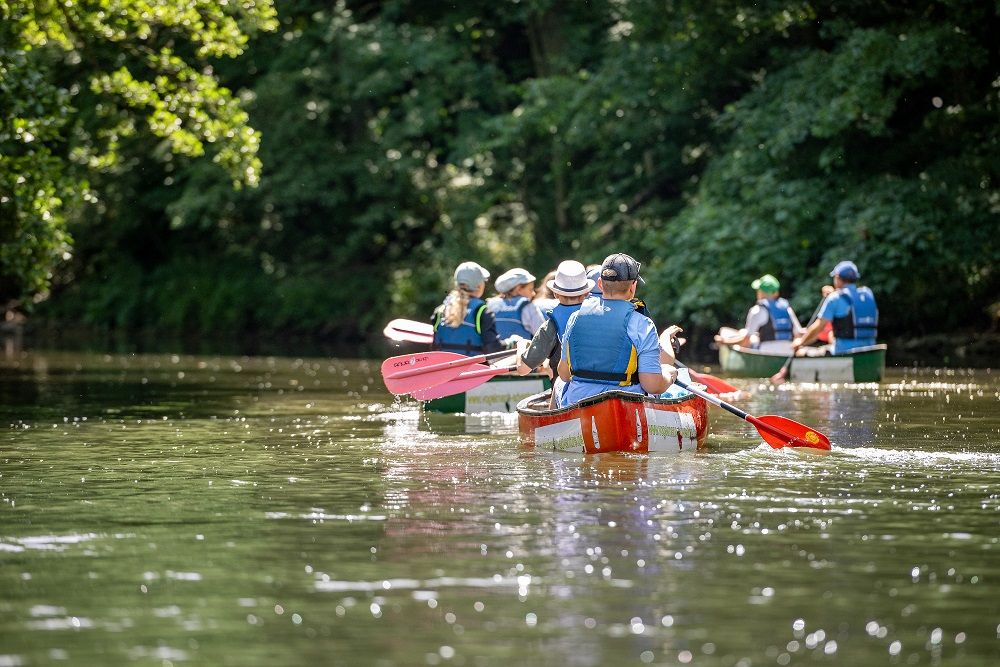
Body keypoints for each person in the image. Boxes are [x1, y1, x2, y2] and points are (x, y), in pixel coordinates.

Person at [557, 253, 678, 407]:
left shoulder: (574, 318)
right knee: (664, 375)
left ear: (600, 284)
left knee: (558, 384)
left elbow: (564, 374)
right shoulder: (643, 324)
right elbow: (652, 385)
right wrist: (669, 374)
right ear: (633, 287)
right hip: (625, 407)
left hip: (579, 404)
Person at [515, 261, 595, 405]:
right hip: (599, 392)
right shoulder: (599, 317)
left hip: (567, 399)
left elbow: (523, 369)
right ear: (587, 293)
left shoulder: (550, 326)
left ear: (555, 294)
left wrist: (521, 345)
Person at [792, 260, 878, 355]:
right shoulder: (868, 294)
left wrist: (801, 342)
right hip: (870, 350)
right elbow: (850, 301)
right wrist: (834, 293)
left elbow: (819, 327)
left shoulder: (834, 298)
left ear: (837, 278)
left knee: (801, 352)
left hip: (843, 351)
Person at [431, 261, 504, 356]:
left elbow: (434, 347)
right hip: (471, 370)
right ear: (479, 286)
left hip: (444, 369)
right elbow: (493, 349)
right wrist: (511, 343)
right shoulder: (482, 311)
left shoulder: (440, 311)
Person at [739, 274, 803, 354]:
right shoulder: (787, 308)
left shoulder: (757, 310)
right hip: (788, 351)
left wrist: (727, 342)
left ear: (761, 292)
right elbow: (798, 335)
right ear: (776, 293)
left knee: (744, 333)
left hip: (766, 352)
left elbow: (746, 340)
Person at [486, 267, 545, 345]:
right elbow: (544, 336)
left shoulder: (490, 305)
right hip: (518, 355)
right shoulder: (528, 307)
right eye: (530, 289)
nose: (533, 293)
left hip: (494, 355)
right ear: (518, 289)